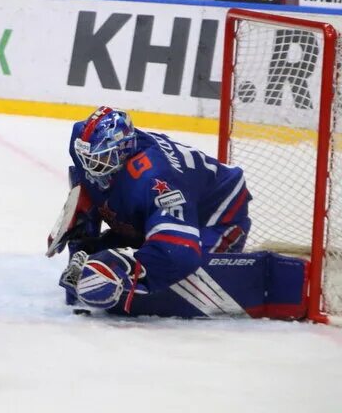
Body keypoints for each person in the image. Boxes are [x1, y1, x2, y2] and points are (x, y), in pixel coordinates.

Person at [52, 107, 303, 319]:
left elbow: (179, 254)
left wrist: (131, 269)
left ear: (124, 150)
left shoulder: (157, 180)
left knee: (184, 266)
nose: (93, 168)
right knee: (105, 256)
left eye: (102, 160)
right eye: (89, 159)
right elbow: (86, 182)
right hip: (168, 201)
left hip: (217, 215)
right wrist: (84, 244)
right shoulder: (84, 143)